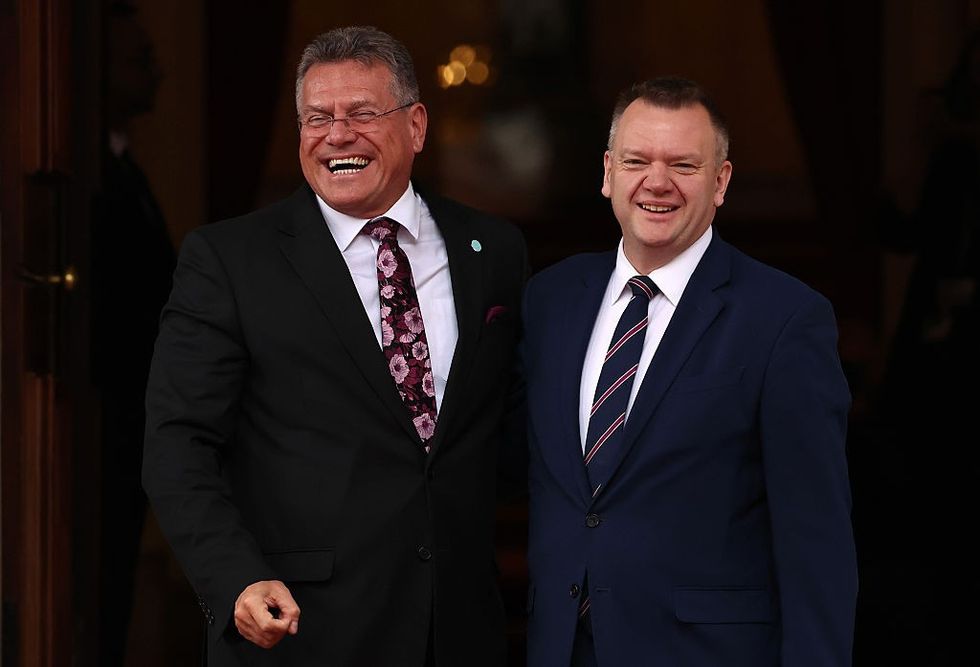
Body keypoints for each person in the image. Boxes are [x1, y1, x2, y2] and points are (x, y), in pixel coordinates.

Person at [142, 26, 527, 666]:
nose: (337, 135)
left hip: (458, 628)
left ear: (417, 125)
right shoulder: (231, 260)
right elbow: (177, 440)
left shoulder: (492, 250)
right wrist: (234, 576)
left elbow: (511, 426)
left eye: (361, 115)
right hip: (303, 629)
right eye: (316, 118)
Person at [520, 77, 857, 666]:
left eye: (683, 165)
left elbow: (816, 547)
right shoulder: (550, 300)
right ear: (607, 173)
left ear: (721, 181)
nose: (657, 182)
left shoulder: (785, 319)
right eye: (636, 161)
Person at [92, 3, 174, 665]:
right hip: (95, 429)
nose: (159, 73)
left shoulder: (128, 171)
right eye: (140, 61)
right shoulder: (90, 179)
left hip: (130, 426)